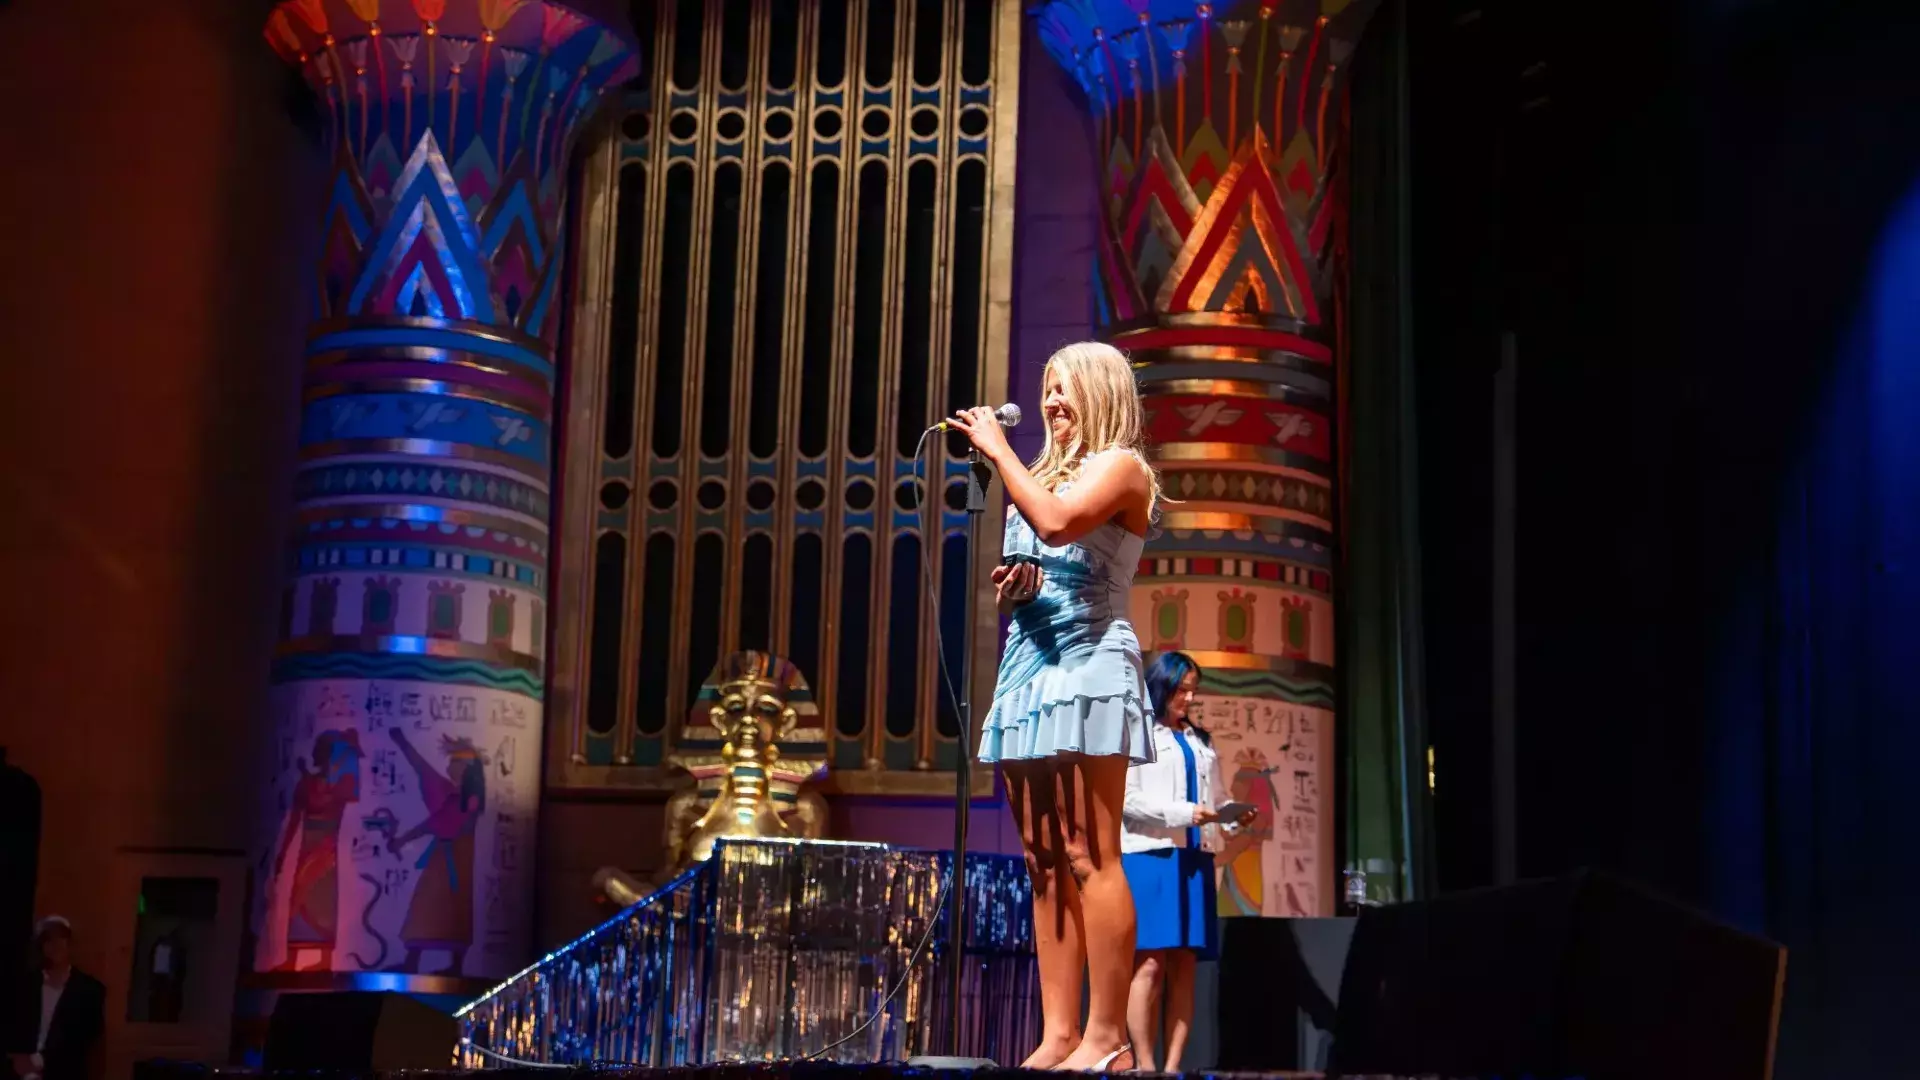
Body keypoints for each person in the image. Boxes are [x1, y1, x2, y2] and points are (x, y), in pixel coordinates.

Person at [949, 341, 1161, 1072]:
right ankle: (1060, 1034)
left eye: (1065, 388)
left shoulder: (1123, 467)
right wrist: (1017, 589)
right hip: (1029, 665)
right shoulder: (1040, 474)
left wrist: (998, 450)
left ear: (1101, 393)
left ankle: (1109, 1038)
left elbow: (1059, 525)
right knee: (1043, 859)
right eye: (1047, 387)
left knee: (1088, 852)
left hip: (1088, 662)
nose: (1050, 401)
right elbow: (1045, 552)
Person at [1120, 652, 1249, 1071]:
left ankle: (1172, 1066)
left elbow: (1217, 799)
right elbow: (1127, 800)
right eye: (1182, 690)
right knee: (1150, 964)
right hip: (1150, 856)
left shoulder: (1201, 741)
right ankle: (1145, 1065)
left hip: (1195, 859)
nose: (1189, 698)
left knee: (1184, 965)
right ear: (1162, 687)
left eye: (1193, 690)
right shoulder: (1138, 734)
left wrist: (1233, 816)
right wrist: (1184, 813)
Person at [8, 917, 104, 1080]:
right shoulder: (25, 984)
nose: (56, 944)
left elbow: (85, 1037)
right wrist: (19, 1059)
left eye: (61, 938)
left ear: (70, 944)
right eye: (49, 940)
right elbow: (12, 1026)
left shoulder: (89, 990)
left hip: (64, 1072)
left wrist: (40, 1061)